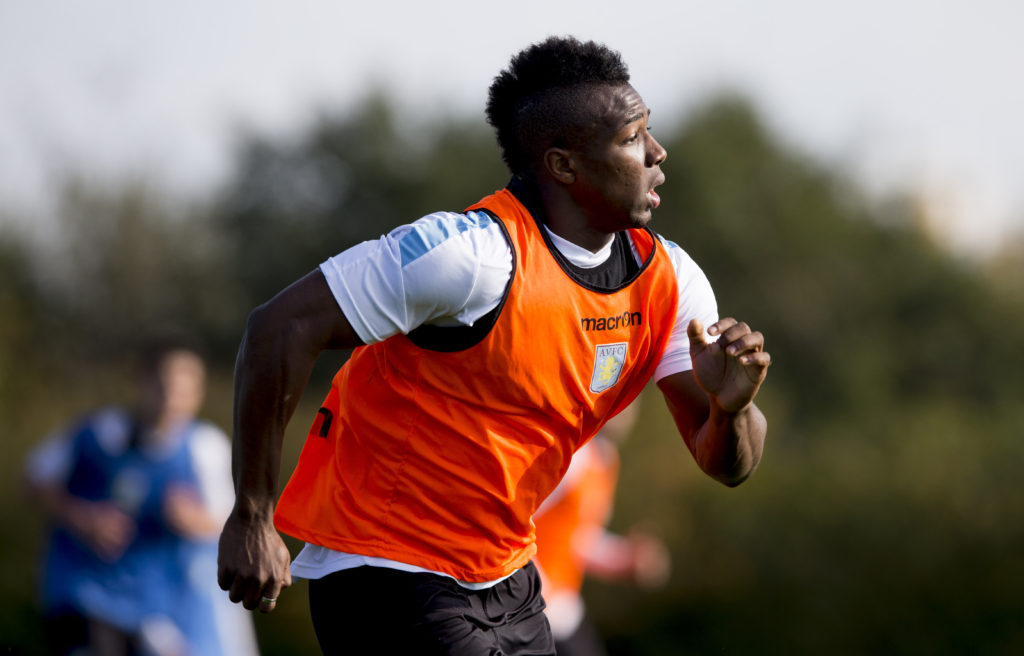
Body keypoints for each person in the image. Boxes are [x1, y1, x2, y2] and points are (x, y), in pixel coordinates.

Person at [217, 35, 770, 655]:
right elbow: (278, 328)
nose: (657, 152)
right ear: (564, 165)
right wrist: (251, 515)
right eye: (632, 137)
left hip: (508, 575)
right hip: (385, 567)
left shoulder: (671, 281)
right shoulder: (469, 255)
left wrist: (732, 409)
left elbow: (728, 465)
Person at [24, 340, 258, 656]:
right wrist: (82, 518)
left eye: (186, 391)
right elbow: (35, 478)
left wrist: (192, 520)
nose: (174, 400)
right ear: (143, 383)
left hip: (156, 610)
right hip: (84, 594)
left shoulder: (205, 447)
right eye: (165, 387)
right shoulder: (97, 432)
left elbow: (234, 526)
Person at [533, 401, 670, 656]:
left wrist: (626, 560)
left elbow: (582, 539)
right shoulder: (574, 456)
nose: (627, 409)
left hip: (562, 606)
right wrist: (533, 587)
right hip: (532, 604)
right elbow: (519, 520)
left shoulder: (606, 462)